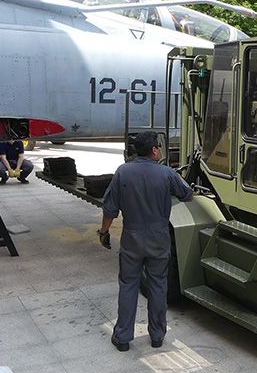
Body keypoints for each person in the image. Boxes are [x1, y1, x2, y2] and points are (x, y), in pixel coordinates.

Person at [97, 131, 193, 352]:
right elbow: (187, 195)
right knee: (158, 285)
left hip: (132, 238)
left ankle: (122, 338)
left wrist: (103, 232)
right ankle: (157, 336)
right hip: (159, 239)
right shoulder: (167, 173)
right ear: (154, 150)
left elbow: (109, 208)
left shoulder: (122, 172)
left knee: (128, 285)